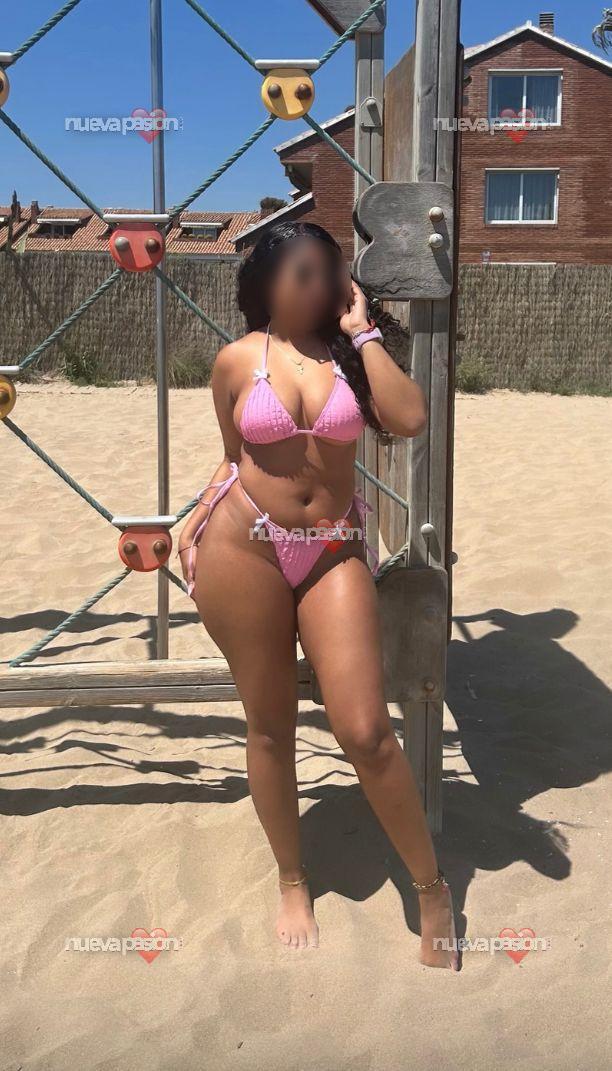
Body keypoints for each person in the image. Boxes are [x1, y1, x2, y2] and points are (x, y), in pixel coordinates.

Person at [177, 221, 458, 971]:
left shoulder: (350, 357)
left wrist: (363, 332)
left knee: (366, 730)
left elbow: (411, 419)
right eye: (299, 272)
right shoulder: (236, 360)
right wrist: (194, 516)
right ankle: (292, 879)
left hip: (333, 547)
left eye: (327, 272)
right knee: (269, 726)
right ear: (266, 283)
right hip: (244, 547)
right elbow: (233, 457)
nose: (316, 284)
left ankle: (431, 888)